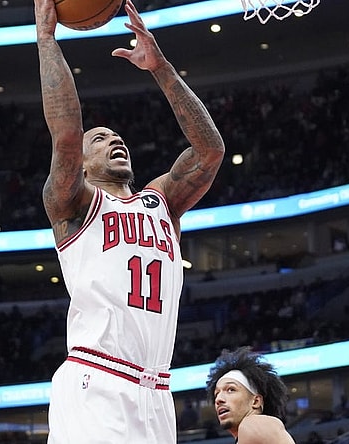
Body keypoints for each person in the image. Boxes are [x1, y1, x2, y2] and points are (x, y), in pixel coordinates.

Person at [34, 0, 225, 440]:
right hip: (95, 379)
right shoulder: (72, 204)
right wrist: (46, 40)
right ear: (80, 165)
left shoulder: (160, 203)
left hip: (156, 390)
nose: (114, 140)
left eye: (117, 137)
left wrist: (161, 68)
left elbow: (210, 150)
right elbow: (65, 135)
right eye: (99, 140)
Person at [205, 347, 294, 443]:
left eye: (231, 390)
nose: (218, 399)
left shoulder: (251, 424)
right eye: (216, 394)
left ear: (256, 401)